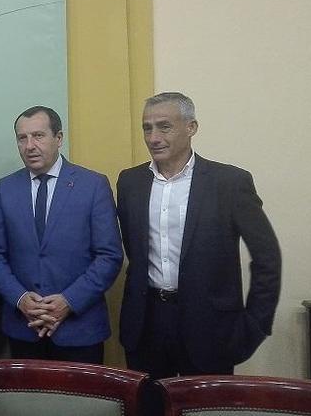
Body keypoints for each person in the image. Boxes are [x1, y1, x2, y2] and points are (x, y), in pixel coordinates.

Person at [118, 92, 281, 378]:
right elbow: (134, 251)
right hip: (147, 325)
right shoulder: (131, 182)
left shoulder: (229, 183)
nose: (153, 137)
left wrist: (255, 324)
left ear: (191, 127)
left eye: (164, 126)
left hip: (211, 326)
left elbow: (267, 258)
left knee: (203, 408)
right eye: (147, 127)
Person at [0, 106, 122, 363]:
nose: (30, 145)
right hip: (24, 327)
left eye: (38, 136)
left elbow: (109, 255)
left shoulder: (93, 185)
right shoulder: (6, 188)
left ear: (58, 138)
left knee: (82, 403)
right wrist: (20, 299)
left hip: (79, 329)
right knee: (29, 403)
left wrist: (68, 301)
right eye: (22, 138)